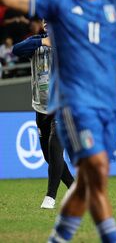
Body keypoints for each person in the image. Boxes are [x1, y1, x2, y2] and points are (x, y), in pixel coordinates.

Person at [0, 0, 116, 242]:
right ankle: (55, 201)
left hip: (102, 106)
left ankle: (59, 233)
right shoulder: (58, 5)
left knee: (91, 180)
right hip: (65, 105)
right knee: (90, 171)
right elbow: (12, 1)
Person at [12, 20, 74, 209]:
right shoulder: (35, 43)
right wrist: (43, 43)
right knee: (49, 156)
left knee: (55, 148)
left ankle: (50, 197)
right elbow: (16, 50)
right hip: (41, 107)